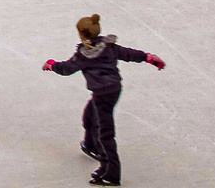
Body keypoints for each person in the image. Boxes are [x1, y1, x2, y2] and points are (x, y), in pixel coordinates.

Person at [43, 13, 166, 187]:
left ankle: (111, 173)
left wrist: (52, 64)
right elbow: (129, 53)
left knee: (105, 134)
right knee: (89, 117)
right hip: (113, 89)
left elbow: (67, 69)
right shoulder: (109, 47)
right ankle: (91, 145)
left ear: (81, 35)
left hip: (103, 94)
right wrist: (148, 57)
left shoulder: (84, 55)